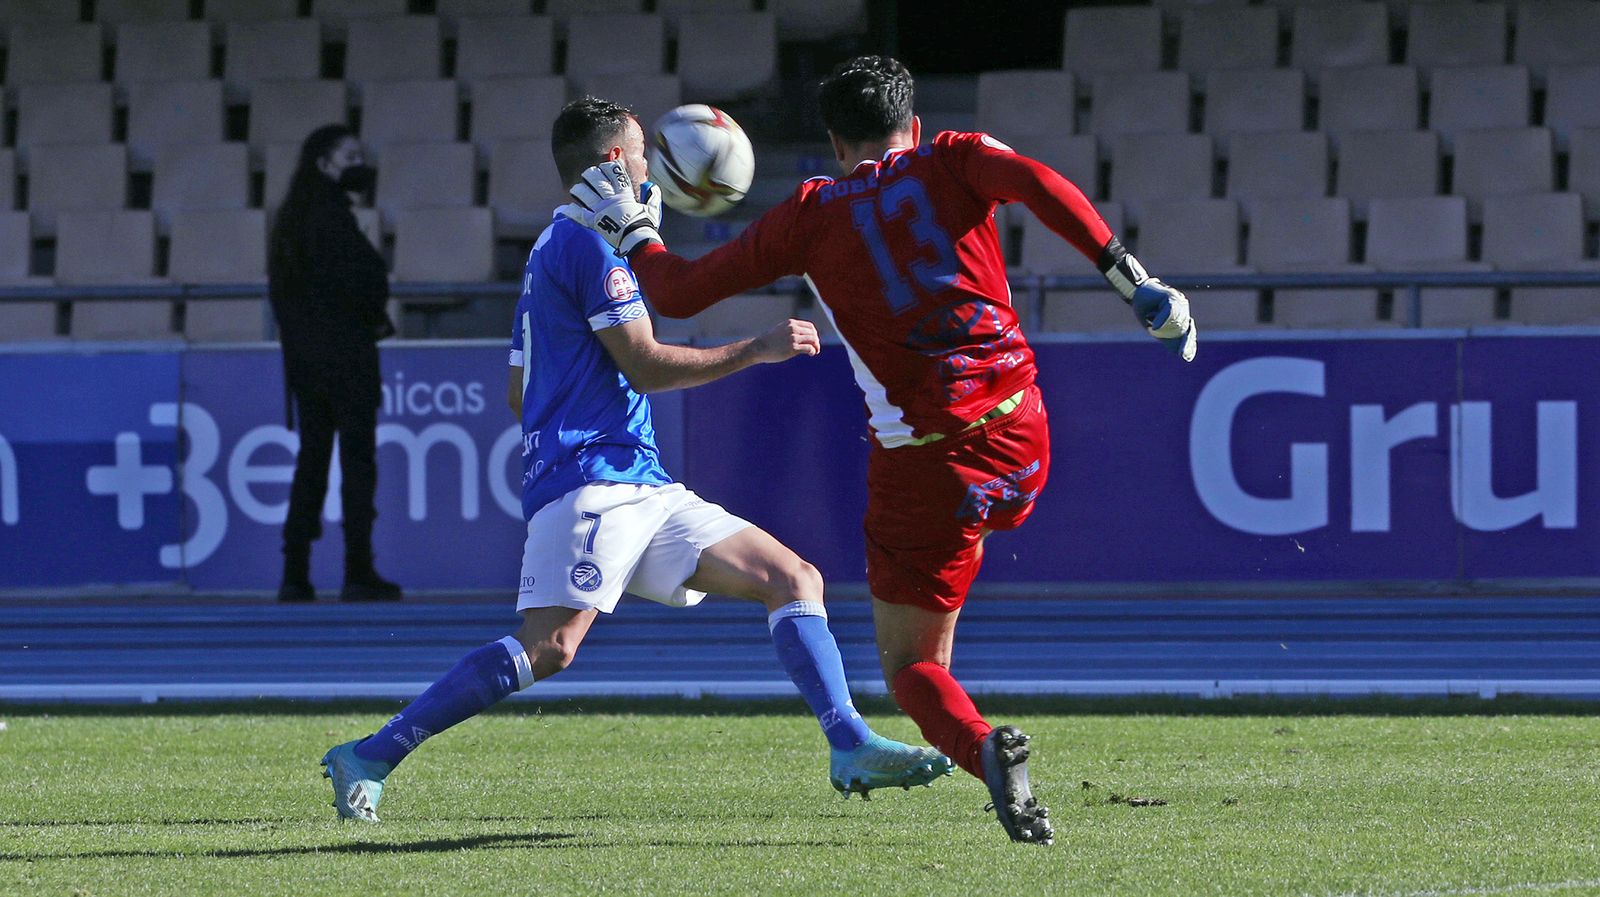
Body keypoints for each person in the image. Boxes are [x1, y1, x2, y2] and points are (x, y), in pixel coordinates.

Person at [561, 56, 1198, 845]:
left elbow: (681, 293)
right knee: (986, 517)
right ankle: (987, 531)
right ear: (915, 125)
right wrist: (1129, 277)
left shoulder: (807, 215)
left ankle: (981, 746)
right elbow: (1035, 180)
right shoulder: (955, 156)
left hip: (926, 465)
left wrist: (635, 230)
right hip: (1023, 430)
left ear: (834, 143)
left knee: (913, 668)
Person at [319, 97, 952, 823]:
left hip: (639, 482)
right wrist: (756, 348)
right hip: (595, 481)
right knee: (552, 646)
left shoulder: (552, 246)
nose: (653, 163)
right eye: (643, 149)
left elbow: (518, 391)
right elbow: (647, 366)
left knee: (792, 575)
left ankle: (849, 741)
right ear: (614, 162)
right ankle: (370, 753)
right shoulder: (590, 248)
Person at [267, 124, 401, 603]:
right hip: (346, 357)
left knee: (313, 461)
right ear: (323, 162)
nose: (358, 163)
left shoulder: (293, 219)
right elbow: (363, 282)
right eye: (349, 155)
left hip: (305, 361)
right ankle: (357, 570)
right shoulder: (331, 219)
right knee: (357, 462)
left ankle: (295, 571)